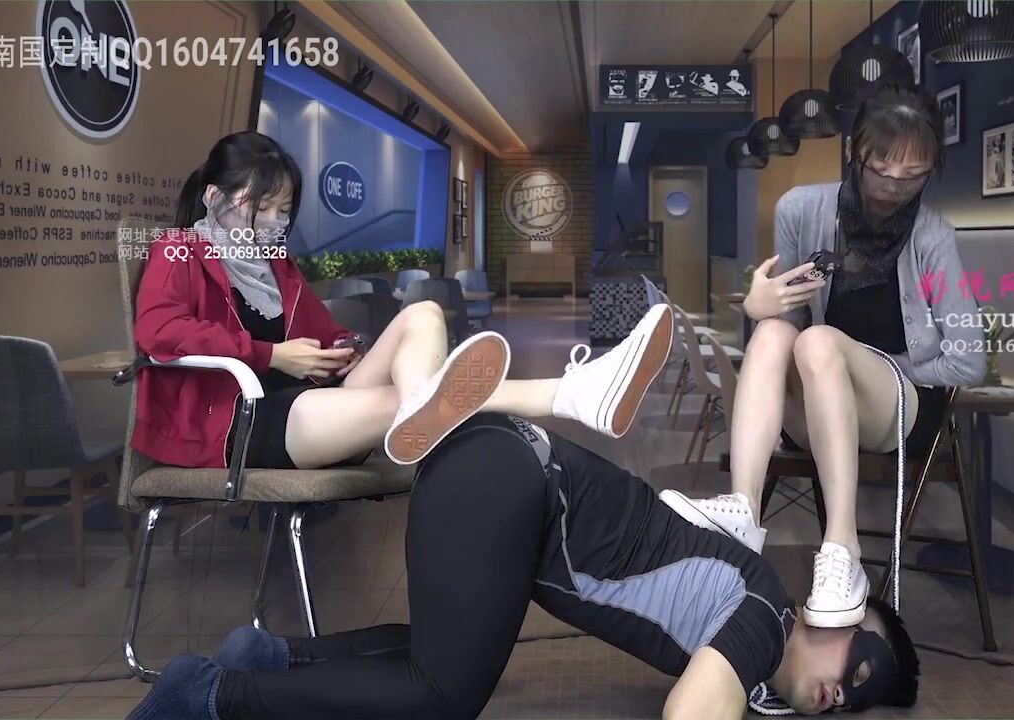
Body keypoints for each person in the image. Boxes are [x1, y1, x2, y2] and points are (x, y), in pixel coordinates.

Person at [127, 413, 919, 720]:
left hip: (499, 468)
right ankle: (209, 697)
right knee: (444, 696)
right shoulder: (765, 617)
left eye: (854, 702)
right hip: (509, 484)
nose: (840, 694)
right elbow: (690, 713)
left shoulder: (759, 629)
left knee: (444, 655)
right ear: (832, 611)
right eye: (857, 661)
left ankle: (265, 656)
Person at [131, 131, 674, 472]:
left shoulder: (278, 266)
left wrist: (344, 349)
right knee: (419, 400)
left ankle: (562, 397)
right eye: (261, 207)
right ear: (213, 197)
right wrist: (273, 355)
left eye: (283, 210)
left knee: (424, 314)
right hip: (241, 422)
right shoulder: (179, 249)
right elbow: (158, 331)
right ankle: (569, 394)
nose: (274, 222)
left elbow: (326, 332)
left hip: (319, 404)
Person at [662, 84, 984, 631]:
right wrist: (760, 308)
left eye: (913, 177)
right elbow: (788, 321)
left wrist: (866, 361)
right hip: (815, 407)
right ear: (855, 152)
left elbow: (969, 360)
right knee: (778, 335)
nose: (893, 188)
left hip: (892, 409)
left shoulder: (932, 237)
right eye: (881, 170)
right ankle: (743, 509)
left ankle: (842, 550)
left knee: (819, 342)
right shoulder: (802, 209)